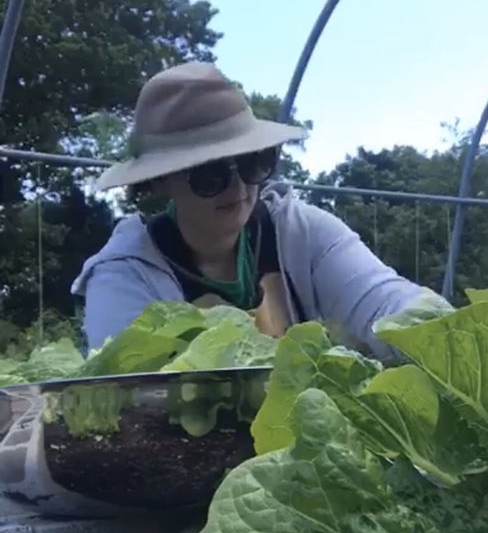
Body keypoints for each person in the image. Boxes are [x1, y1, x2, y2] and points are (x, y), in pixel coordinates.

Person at [72, 61, 439, 357]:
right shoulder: (125, 276)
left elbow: (384, 302)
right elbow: (127, 398)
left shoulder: (301, 233)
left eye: (253, 162)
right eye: (209, 174)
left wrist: (447, 338)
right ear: (159, 182)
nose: (238, 187)